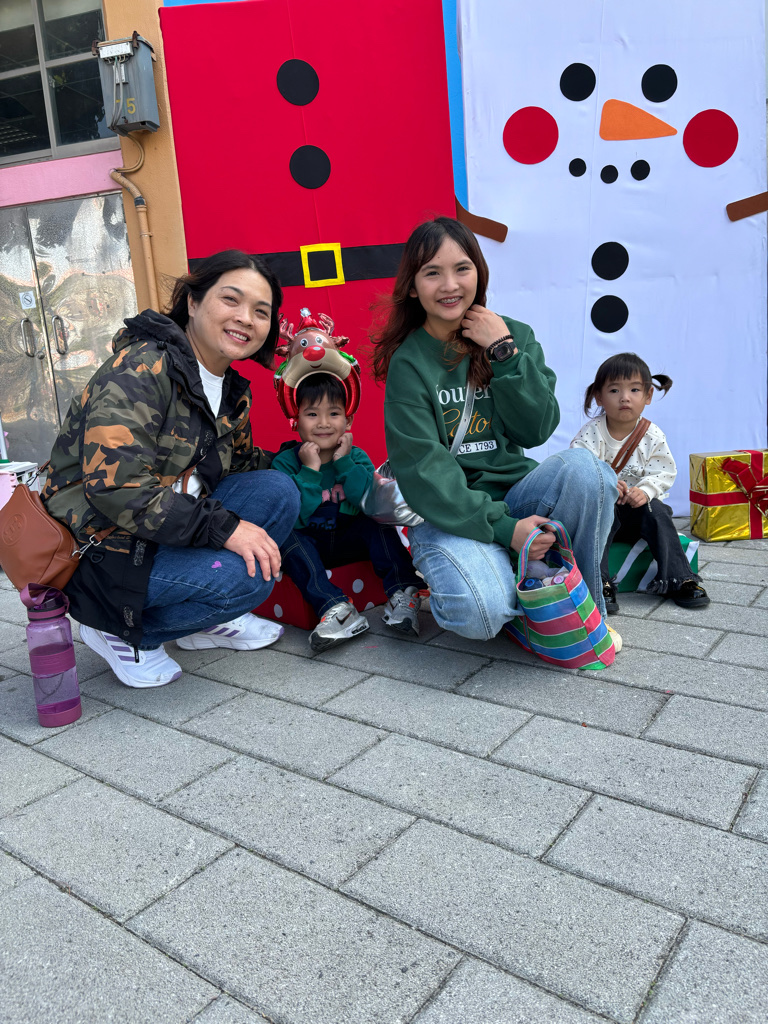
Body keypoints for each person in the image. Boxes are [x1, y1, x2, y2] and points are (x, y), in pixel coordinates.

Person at [42, 250, 301, 688]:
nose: (245, 318)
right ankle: (118, 629)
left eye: (261, 311)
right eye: (231, 300)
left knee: (279, 490)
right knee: (246, 582)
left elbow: (240, 469)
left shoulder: (231, 389)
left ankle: (200, 622)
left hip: (160, 532)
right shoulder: (142, 368)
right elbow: (116, 488)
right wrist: (225, 529)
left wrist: (310, 455)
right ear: (193, 302)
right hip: (102, 548)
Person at [372, 216, 621, 649]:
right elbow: (426, 471)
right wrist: (508, 531)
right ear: (412, 286)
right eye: (432, 273)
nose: (450, 285)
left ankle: (583, 610)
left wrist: (503, 353)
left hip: (518, 494)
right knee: (481, 612)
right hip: (449, 515)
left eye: (462, 268)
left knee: (590, 472)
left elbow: (536, 428)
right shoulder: (409, 362)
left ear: (479, 272)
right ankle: (522, 589)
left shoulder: (512, 336)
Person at [272, 369, 423, 652]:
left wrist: (343, 463)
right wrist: (310, 470)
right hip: (311, 547)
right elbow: (297, 516)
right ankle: (337, 608)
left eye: (334, 413)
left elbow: (366, 499)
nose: (323, 423)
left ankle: (403, 593)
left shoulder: (357, 457)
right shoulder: (285, 463)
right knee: (286, 537)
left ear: (348, 420)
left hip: (350, 542)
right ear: (295, 420)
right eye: (312, 414)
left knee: (375, 523)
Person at [571, 352, 709, 613]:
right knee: (599, 513)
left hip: (639, 514)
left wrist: (645, 491)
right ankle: (600, 582)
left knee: (657, 512)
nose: (625, 397)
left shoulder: (652, 435)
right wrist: (606, 484)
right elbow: (578, 467)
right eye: (614, 390)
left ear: (648, 395)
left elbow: (663, 472)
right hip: (605, 514)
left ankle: (679, 578)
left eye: (634, 390)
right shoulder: (592, 433)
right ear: (599, 396)